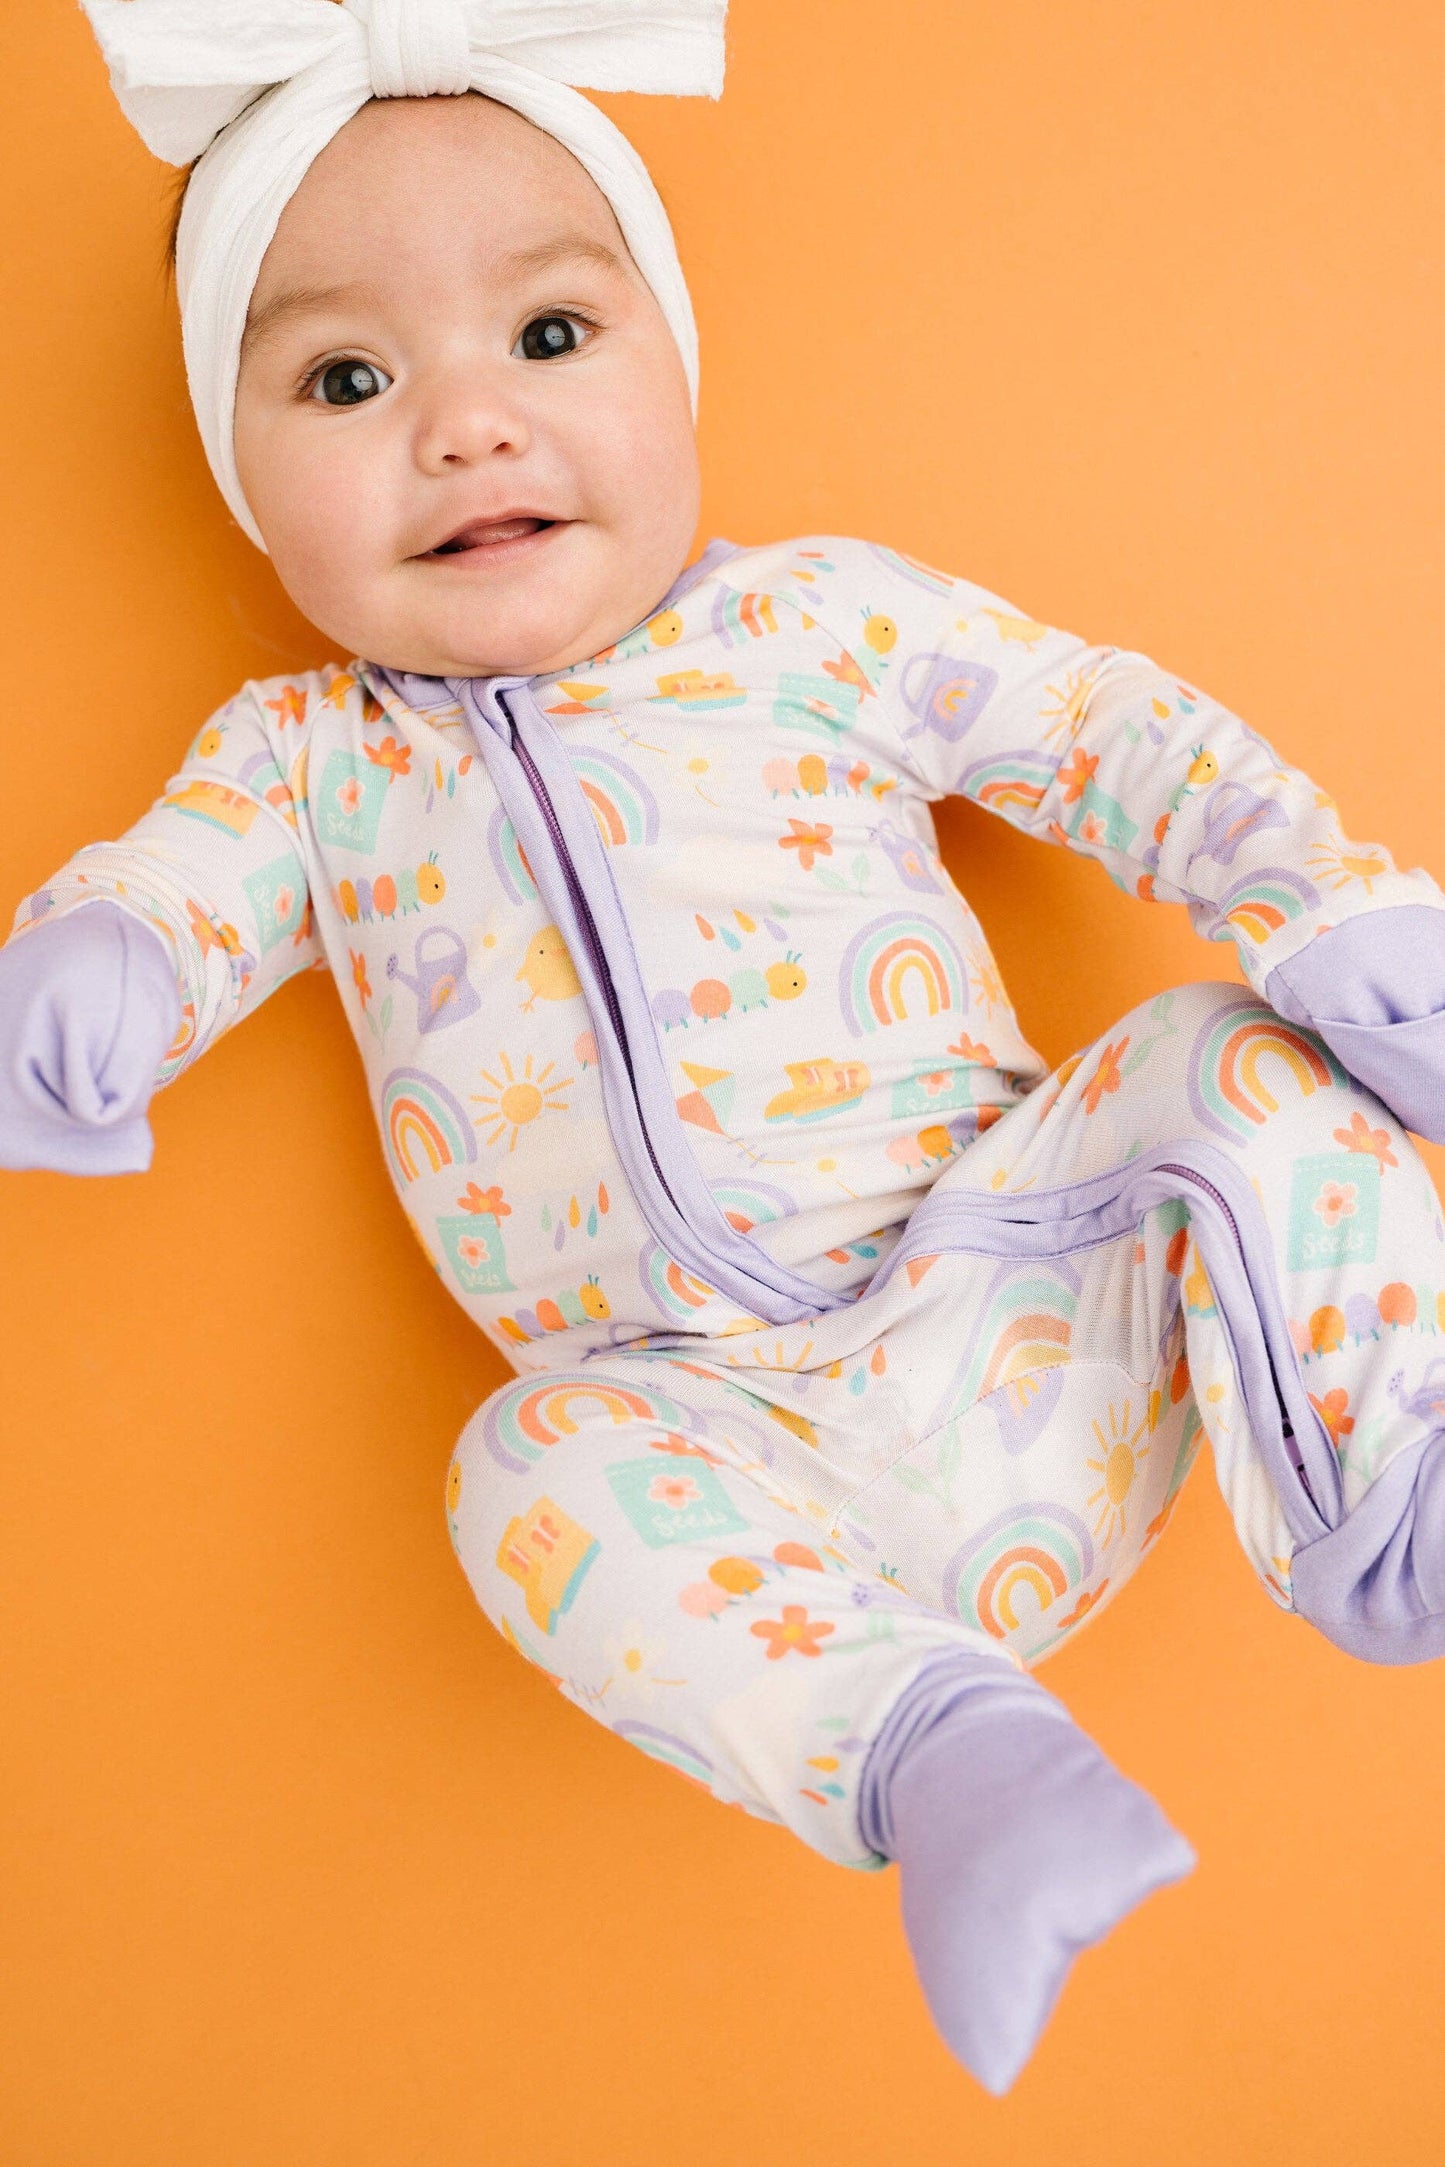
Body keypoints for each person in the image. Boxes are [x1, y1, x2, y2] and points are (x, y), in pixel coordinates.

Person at [7, 0, 1445, 2093]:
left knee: (1224, 1057)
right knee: (522, 1472)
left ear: (676, 364)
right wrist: (94, 970)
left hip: (1034, 1304)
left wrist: (1323, 896)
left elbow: (1102, 728)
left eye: (550, 336)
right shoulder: (305, 758)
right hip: (735, 1489)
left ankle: (1394, 1488)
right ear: (242, 481)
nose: (468, 427)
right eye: (346, 379)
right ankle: (950, 1767)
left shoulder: (813, 626)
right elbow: (177, 890)